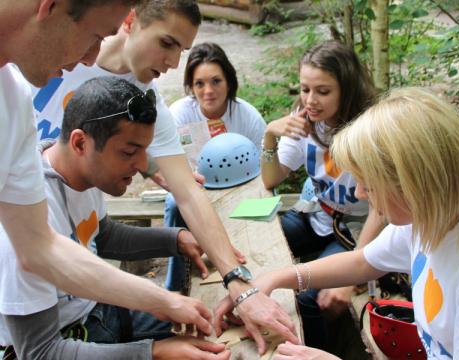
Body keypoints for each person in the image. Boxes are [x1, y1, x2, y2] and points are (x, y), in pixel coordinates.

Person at [30, 1, 297, 353]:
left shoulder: (142, 107)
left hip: (82, 298)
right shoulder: (39, 65)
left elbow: (186, 189)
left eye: (181, 51)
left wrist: (236, 282)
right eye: (167, 44)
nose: (173, 64)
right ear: (129, 19)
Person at [1, 0, 213, 345]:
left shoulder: (14, 99)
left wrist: (164, 299)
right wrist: (154, 347)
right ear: (51, 7)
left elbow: (39, 246)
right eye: (94, 36)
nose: (89, 60)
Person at [217, 87, 459, 359]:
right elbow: (364, 262)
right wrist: (275, 278)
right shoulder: (427, 222)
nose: (359, 193)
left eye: (369, 184)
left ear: (412, 183)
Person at [258, 40, 384, 349]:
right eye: (304, 89)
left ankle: (313, 353)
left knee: (309, 298)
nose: (310, 101)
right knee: (259, 244)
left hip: (355, 231)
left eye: (323, 91)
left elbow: (382, 209)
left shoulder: (370, 129)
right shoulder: (304, 119)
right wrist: (270, 135)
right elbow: (271, 177)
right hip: (313, 214)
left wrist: (353, 275)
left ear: (347, 89)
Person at [164, 42, 267, 291]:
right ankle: (175, 285)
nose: (208, 91)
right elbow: (175, 172)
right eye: (200, 83)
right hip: (193, 191)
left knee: (264, 212)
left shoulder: (248, 116)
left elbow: (264, 170)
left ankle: (259, 274)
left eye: (216, 81)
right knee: (173, 203)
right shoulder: (179, 114)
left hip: (241, 192)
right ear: (191, 86)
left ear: (229, 82)